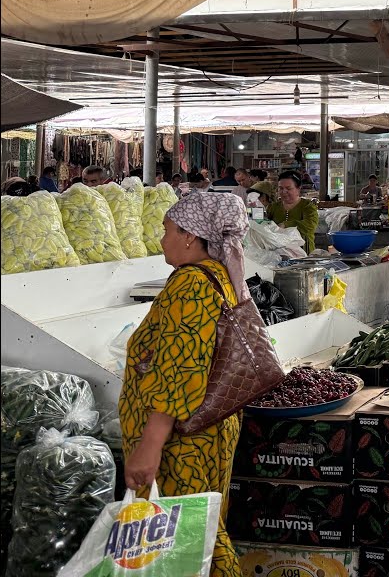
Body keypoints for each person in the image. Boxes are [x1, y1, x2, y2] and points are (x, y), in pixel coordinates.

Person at [120, 191, 249, 577]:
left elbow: (181, 371)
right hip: (207, 429)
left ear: (190, 235)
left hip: (182, 439)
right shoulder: (217, 275)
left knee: (188, 534)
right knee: (198, 529)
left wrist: (149, 445)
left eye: (167, 230)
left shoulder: (191, 284)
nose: (162, 239)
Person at [265, 170, 319, 253]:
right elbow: (264, 225)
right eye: (281, 188)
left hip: (304, 253)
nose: (284, 192)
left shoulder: (308, 206)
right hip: (277, 254)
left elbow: (310, 225)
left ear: (298, 188)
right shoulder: (273, 207)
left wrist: (286, 224)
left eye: (288, 188)